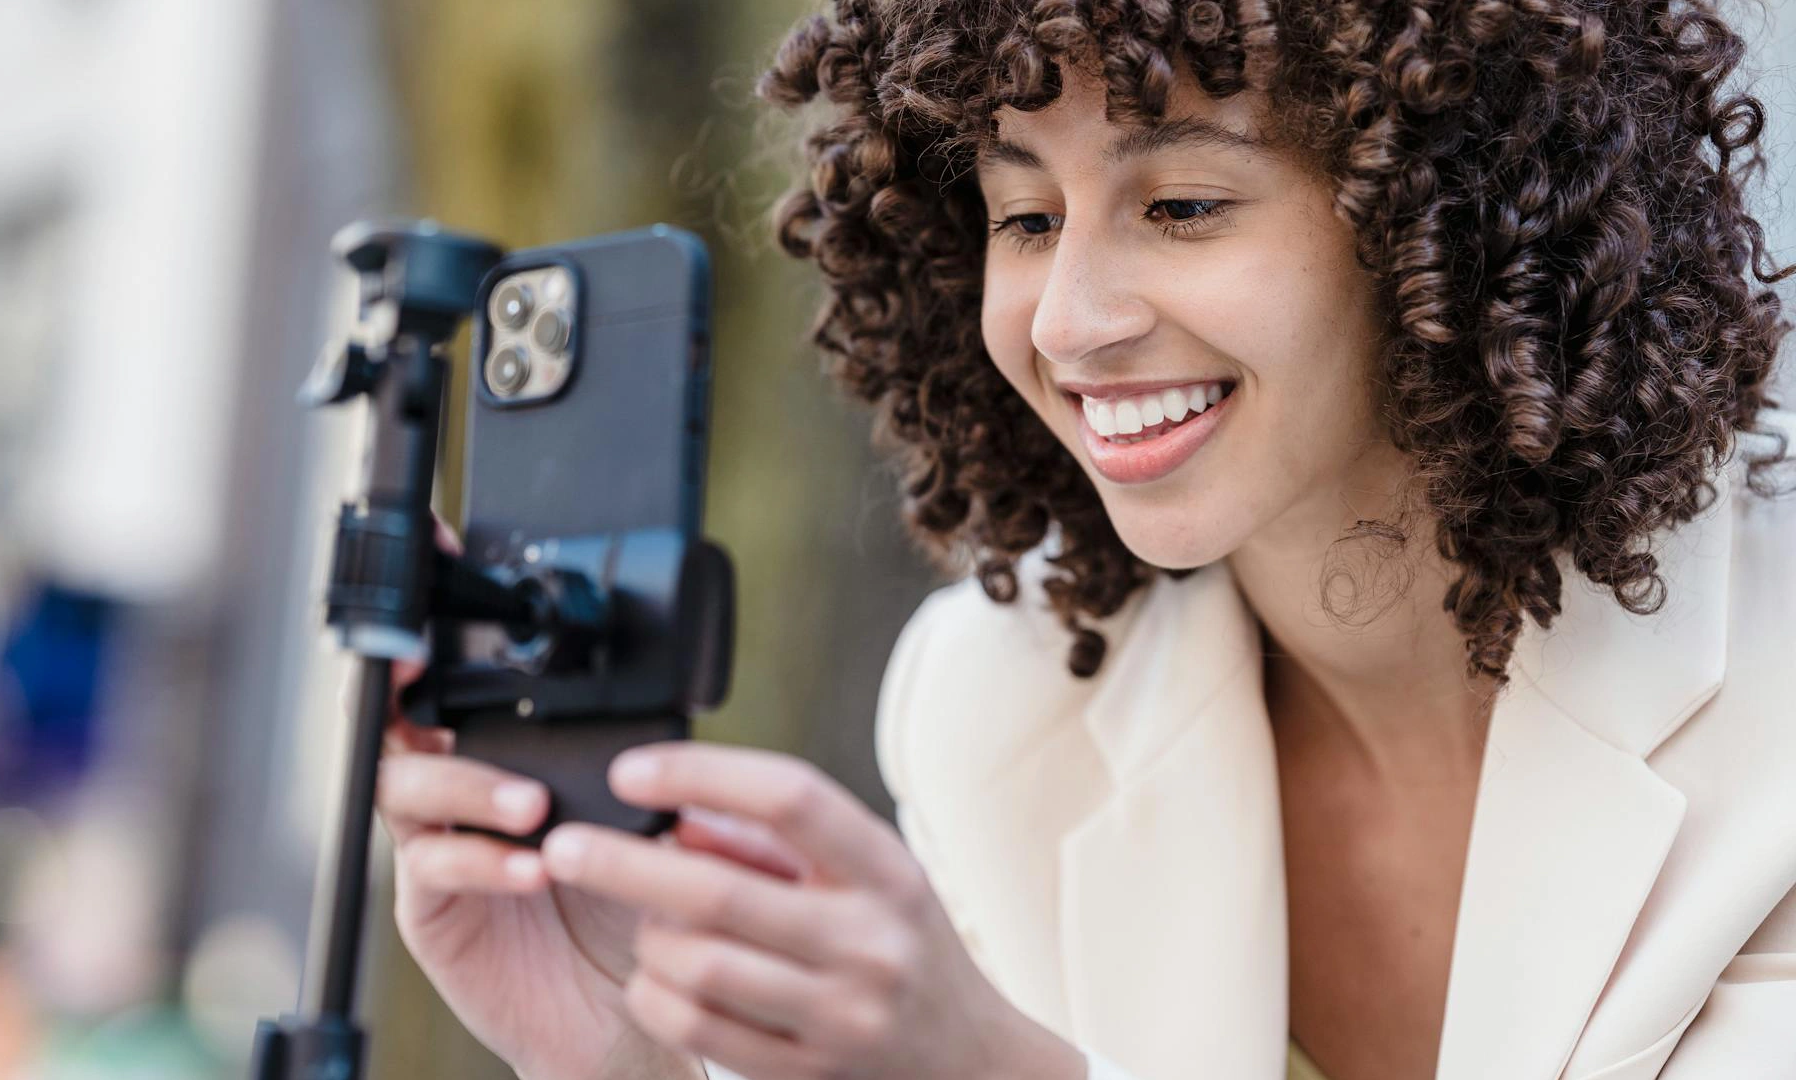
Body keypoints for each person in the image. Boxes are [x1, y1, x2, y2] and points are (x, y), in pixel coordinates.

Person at [373, 2, 1796, 1078]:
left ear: (1451, 212)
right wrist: (626, 1051)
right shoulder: (994, 710)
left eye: (1182, 206)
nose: (1066, 322)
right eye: (1025, 217)